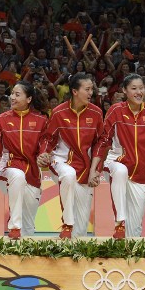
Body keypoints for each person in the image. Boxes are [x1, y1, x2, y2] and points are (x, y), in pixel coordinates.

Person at [88, 73, 145, 239]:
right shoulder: (116, 110)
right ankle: (120, 222)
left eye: (141, 88)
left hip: (141, 175)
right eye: (134, 88)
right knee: (121, 171)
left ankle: (129, 257)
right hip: (116, 163)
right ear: (124, 91)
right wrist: (94, 169)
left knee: (136, 229)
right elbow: (103, 140)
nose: (139, 92)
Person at [38, 73, 103, 239]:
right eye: (87, 89)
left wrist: (96, 170)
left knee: (81, 227)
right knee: (68, 175)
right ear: (75, 91)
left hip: (86, 168)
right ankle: (66, 223)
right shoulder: (59, 112)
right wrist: (44, 153)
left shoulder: (96, 113)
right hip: (60, 161)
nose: (91, 93)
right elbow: (48, 138)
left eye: (91, 90)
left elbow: (100, 143)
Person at [0, 81, 49, 240]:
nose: (12, 97)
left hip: (32, 175)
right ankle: (14, 226)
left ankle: (24, 260)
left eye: (17, 94)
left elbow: (45, 143)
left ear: (29, 99)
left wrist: (44, 154)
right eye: (12, 94)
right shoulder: (1, 119)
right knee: (17, 176)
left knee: (29, 224)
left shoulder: (41, 120)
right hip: (7, 170)